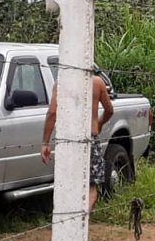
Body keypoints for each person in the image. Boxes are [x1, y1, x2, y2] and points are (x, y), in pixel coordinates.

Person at [41, 70, 114, 210]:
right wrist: (99, 123)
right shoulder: (98, 82)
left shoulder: (61, 83)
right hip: (90, 138)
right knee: (91, 187)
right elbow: (109, 110)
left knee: (68, 184)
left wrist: (45, 142)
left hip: (67, 140)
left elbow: (52, 112)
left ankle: (69, 218)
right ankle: (81, 219)